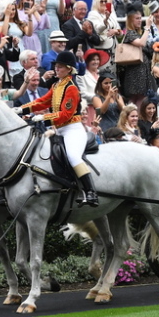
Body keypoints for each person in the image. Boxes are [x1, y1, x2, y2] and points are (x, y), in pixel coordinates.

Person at [17, 50, 98, 207]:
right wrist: (22, 109)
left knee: (73, 157)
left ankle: (91, 192)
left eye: (60, 67)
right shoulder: (56, 85)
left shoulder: (71, 88)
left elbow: (66, 114)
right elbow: (42, 102)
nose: (56, 69)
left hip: (73, 130)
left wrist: (44, 117)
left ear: (69, 69)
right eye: (56, 66)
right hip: (59, 130)